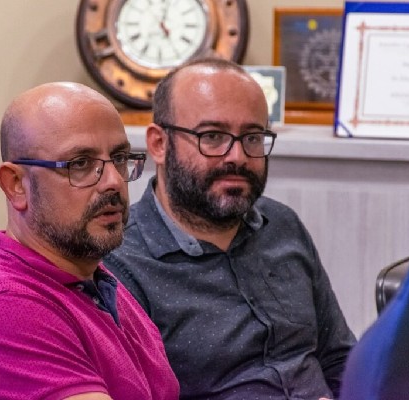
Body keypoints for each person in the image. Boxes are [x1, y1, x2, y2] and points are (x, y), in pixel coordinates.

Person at [103, 58, 356, 400]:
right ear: (159, 144)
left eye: (252, 137)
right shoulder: (120, 264)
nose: (237, 156)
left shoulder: (283, 225)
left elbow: (338, 358)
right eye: (212, 136)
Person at [0, 82, 179, 400]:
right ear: (16, 185)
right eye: (80, 163)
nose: (114, 181)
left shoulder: (98, 283)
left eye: (119, 158)